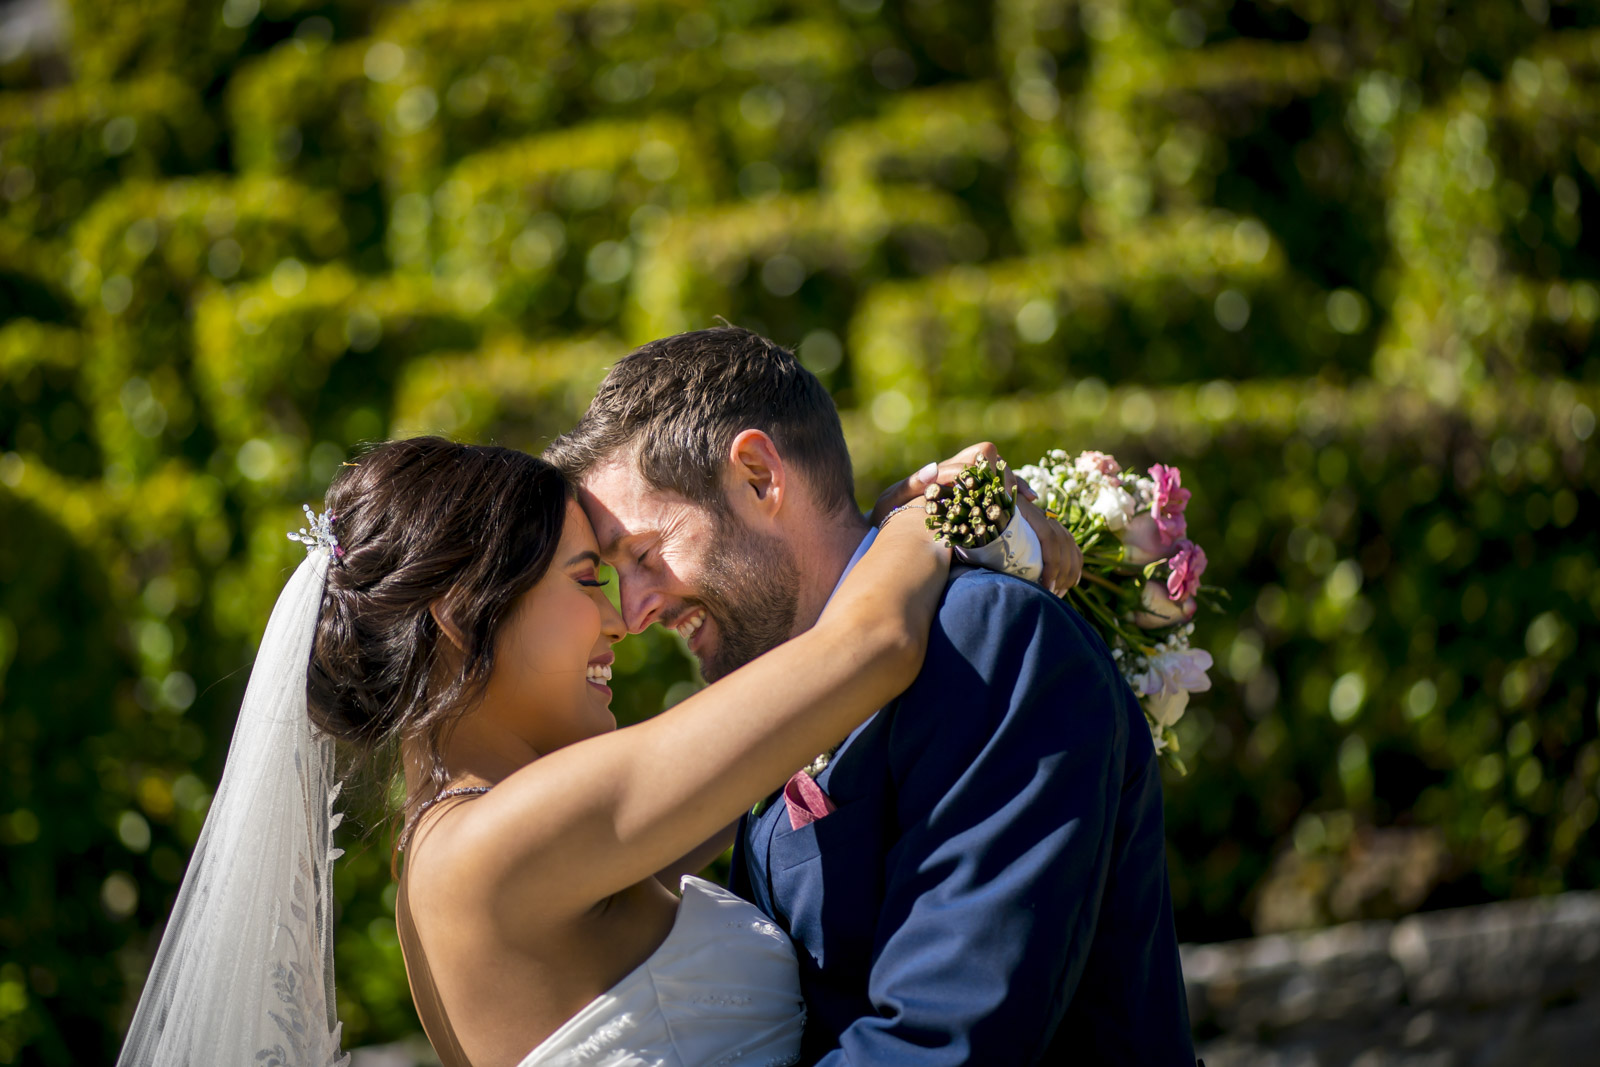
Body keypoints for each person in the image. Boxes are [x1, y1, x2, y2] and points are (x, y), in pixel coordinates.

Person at [116, 432, 1059, 1067]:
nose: (620, 620)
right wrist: (942, 512)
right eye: (584, 578)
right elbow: (864, 651)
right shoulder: (501, 845)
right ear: (458, 613)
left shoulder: (486, 840)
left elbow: (782, 728)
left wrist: (858, 543)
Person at [545, 326, 1197, 1064]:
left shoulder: (984, 638)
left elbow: (945, 1040)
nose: (634, 614)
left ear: (759, 475)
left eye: (645, 554)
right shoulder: (776, 707)